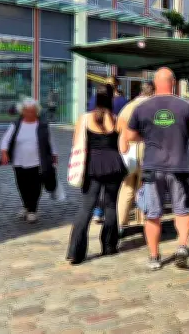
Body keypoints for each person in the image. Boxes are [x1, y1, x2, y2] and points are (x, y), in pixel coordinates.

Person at [124, 68, 189, 271]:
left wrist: (147, 137)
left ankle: (154, 257)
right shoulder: (186, 105)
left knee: (152, 213)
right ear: (174, 83)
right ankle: (182, 247)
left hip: (152, 166)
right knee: (182, 211)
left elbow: (129, 135)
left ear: (154, 83)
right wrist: (183, 135)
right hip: (179, 165)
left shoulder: (142, 107)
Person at [66, 85, 127, 264]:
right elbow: (124, 147)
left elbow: (76, 142)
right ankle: (109, 246)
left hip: (92, 165)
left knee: (86, 208)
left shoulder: (84, 118)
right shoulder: (118, 120)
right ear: (111, 100)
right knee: (111, 205)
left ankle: (76, 252)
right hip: (114, 164)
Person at [0, 98, 58, 224]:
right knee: (22, 186)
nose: (30, 113)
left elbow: (51, 141)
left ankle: (32, 210)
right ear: (23, 111)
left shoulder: (43, 125)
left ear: (37, 111)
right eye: (27, 111)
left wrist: (54, 155)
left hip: (38, 162)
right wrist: (4, 152)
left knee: (35, 187)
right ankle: (26, 206)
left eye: (32, 111)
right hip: (19, 162)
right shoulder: (16, 124)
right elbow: (5, 140)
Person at [116, 82, 155, 238]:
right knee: (145, 186)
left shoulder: (128, 106)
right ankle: (145, 221)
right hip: (148, 149)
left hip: (129, 151)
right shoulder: (154, 108)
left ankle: (121, 222)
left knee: (127, 186)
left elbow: (119, 128)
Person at [89, 77, 127, 224]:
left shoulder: (93, 101)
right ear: (117, 87)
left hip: (94, 155)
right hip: (113, 154)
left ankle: (97, 212)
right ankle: (109, 234)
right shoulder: (122, 102)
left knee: (93, 193)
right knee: (111, 200)